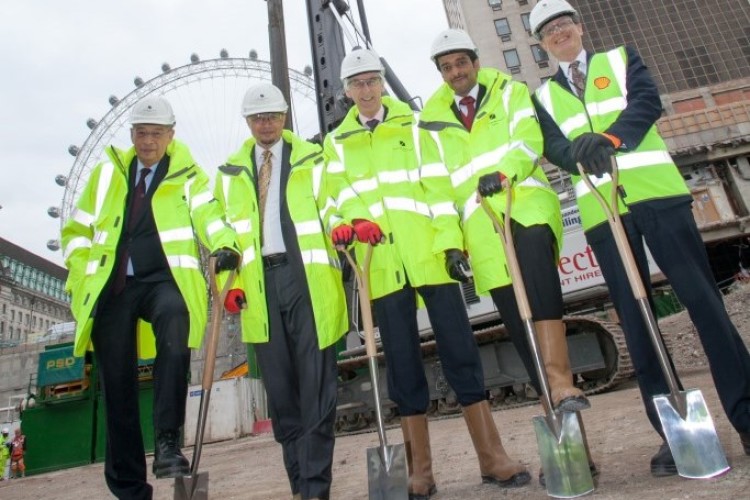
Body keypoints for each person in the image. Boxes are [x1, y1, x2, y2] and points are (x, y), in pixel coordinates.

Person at [529, 0, 750, 476]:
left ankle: (747, 417)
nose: (560, 34)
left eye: (565, 25)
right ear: (543, 45)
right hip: (604, 215)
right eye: (549, 32)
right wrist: (578, 155)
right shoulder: (542, 97)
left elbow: (647, 102)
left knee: (704, 304)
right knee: (636, 320)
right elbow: (554, 146)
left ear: (580, 28)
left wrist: (609, 139)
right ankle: (673, 436)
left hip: (657, 198)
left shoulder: (620, 59)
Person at [324, 48, 531, 499]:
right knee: (402, 366)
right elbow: (334, 196)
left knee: (460, 352)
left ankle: (491, 455)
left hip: (431, 258)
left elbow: (438, 190)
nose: (366, 90)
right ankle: (420, 470)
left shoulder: (418, 126)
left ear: (382, 82)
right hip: (380, 266)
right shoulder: (335, 144)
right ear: (346, 92)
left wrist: (450, 245)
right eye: (357, 83)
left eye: (372, 81)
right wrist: (352, 220)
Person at [418, 27, 593, 486]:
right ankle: (570, 442)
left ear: (475, 61)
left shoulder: (510, 90)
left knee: (540, 295)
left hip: (524, 206)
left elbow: (527, 141)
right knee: (520, 330)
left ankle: (560, 381)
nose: (456, 72)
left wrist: (504, 172)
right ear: (440, 73)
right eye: (446, 67)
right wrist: (450, 244)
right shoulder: (431, 123)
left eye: (462, 62)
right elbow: (437, 191)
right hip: (482, 233)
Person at [61, 96, 241, 499]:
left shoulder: (189, 176)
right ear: (131, 135)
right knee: (118, 384)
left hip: (163, 280)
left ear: (171, 136)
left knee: (175, 326)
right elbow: (76, 232)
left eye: (156, 134)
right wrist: (79, 276)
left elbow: (209, 213)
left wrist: (225, 244)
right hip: (113, 286)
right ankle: (129, 487)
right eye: (142, 133)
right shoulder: (108, 174)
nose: (148, 142)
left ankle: (166, 442)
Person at [214, 83, 347, 500]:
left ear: (285, 116)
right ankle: (299, 485)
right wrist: (228, 284)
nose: (265, 123)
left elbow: (334, 200)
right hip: (258, 289)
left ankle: (315, 488)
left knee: (316, 385)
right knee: (283, 392)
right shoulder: (230, 174)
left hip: (307, 280)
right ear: (248, 122)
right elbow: (221, 232)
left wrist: (344, 223)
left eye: (271, 115)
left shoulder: (313, 158)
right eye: (257, 118)